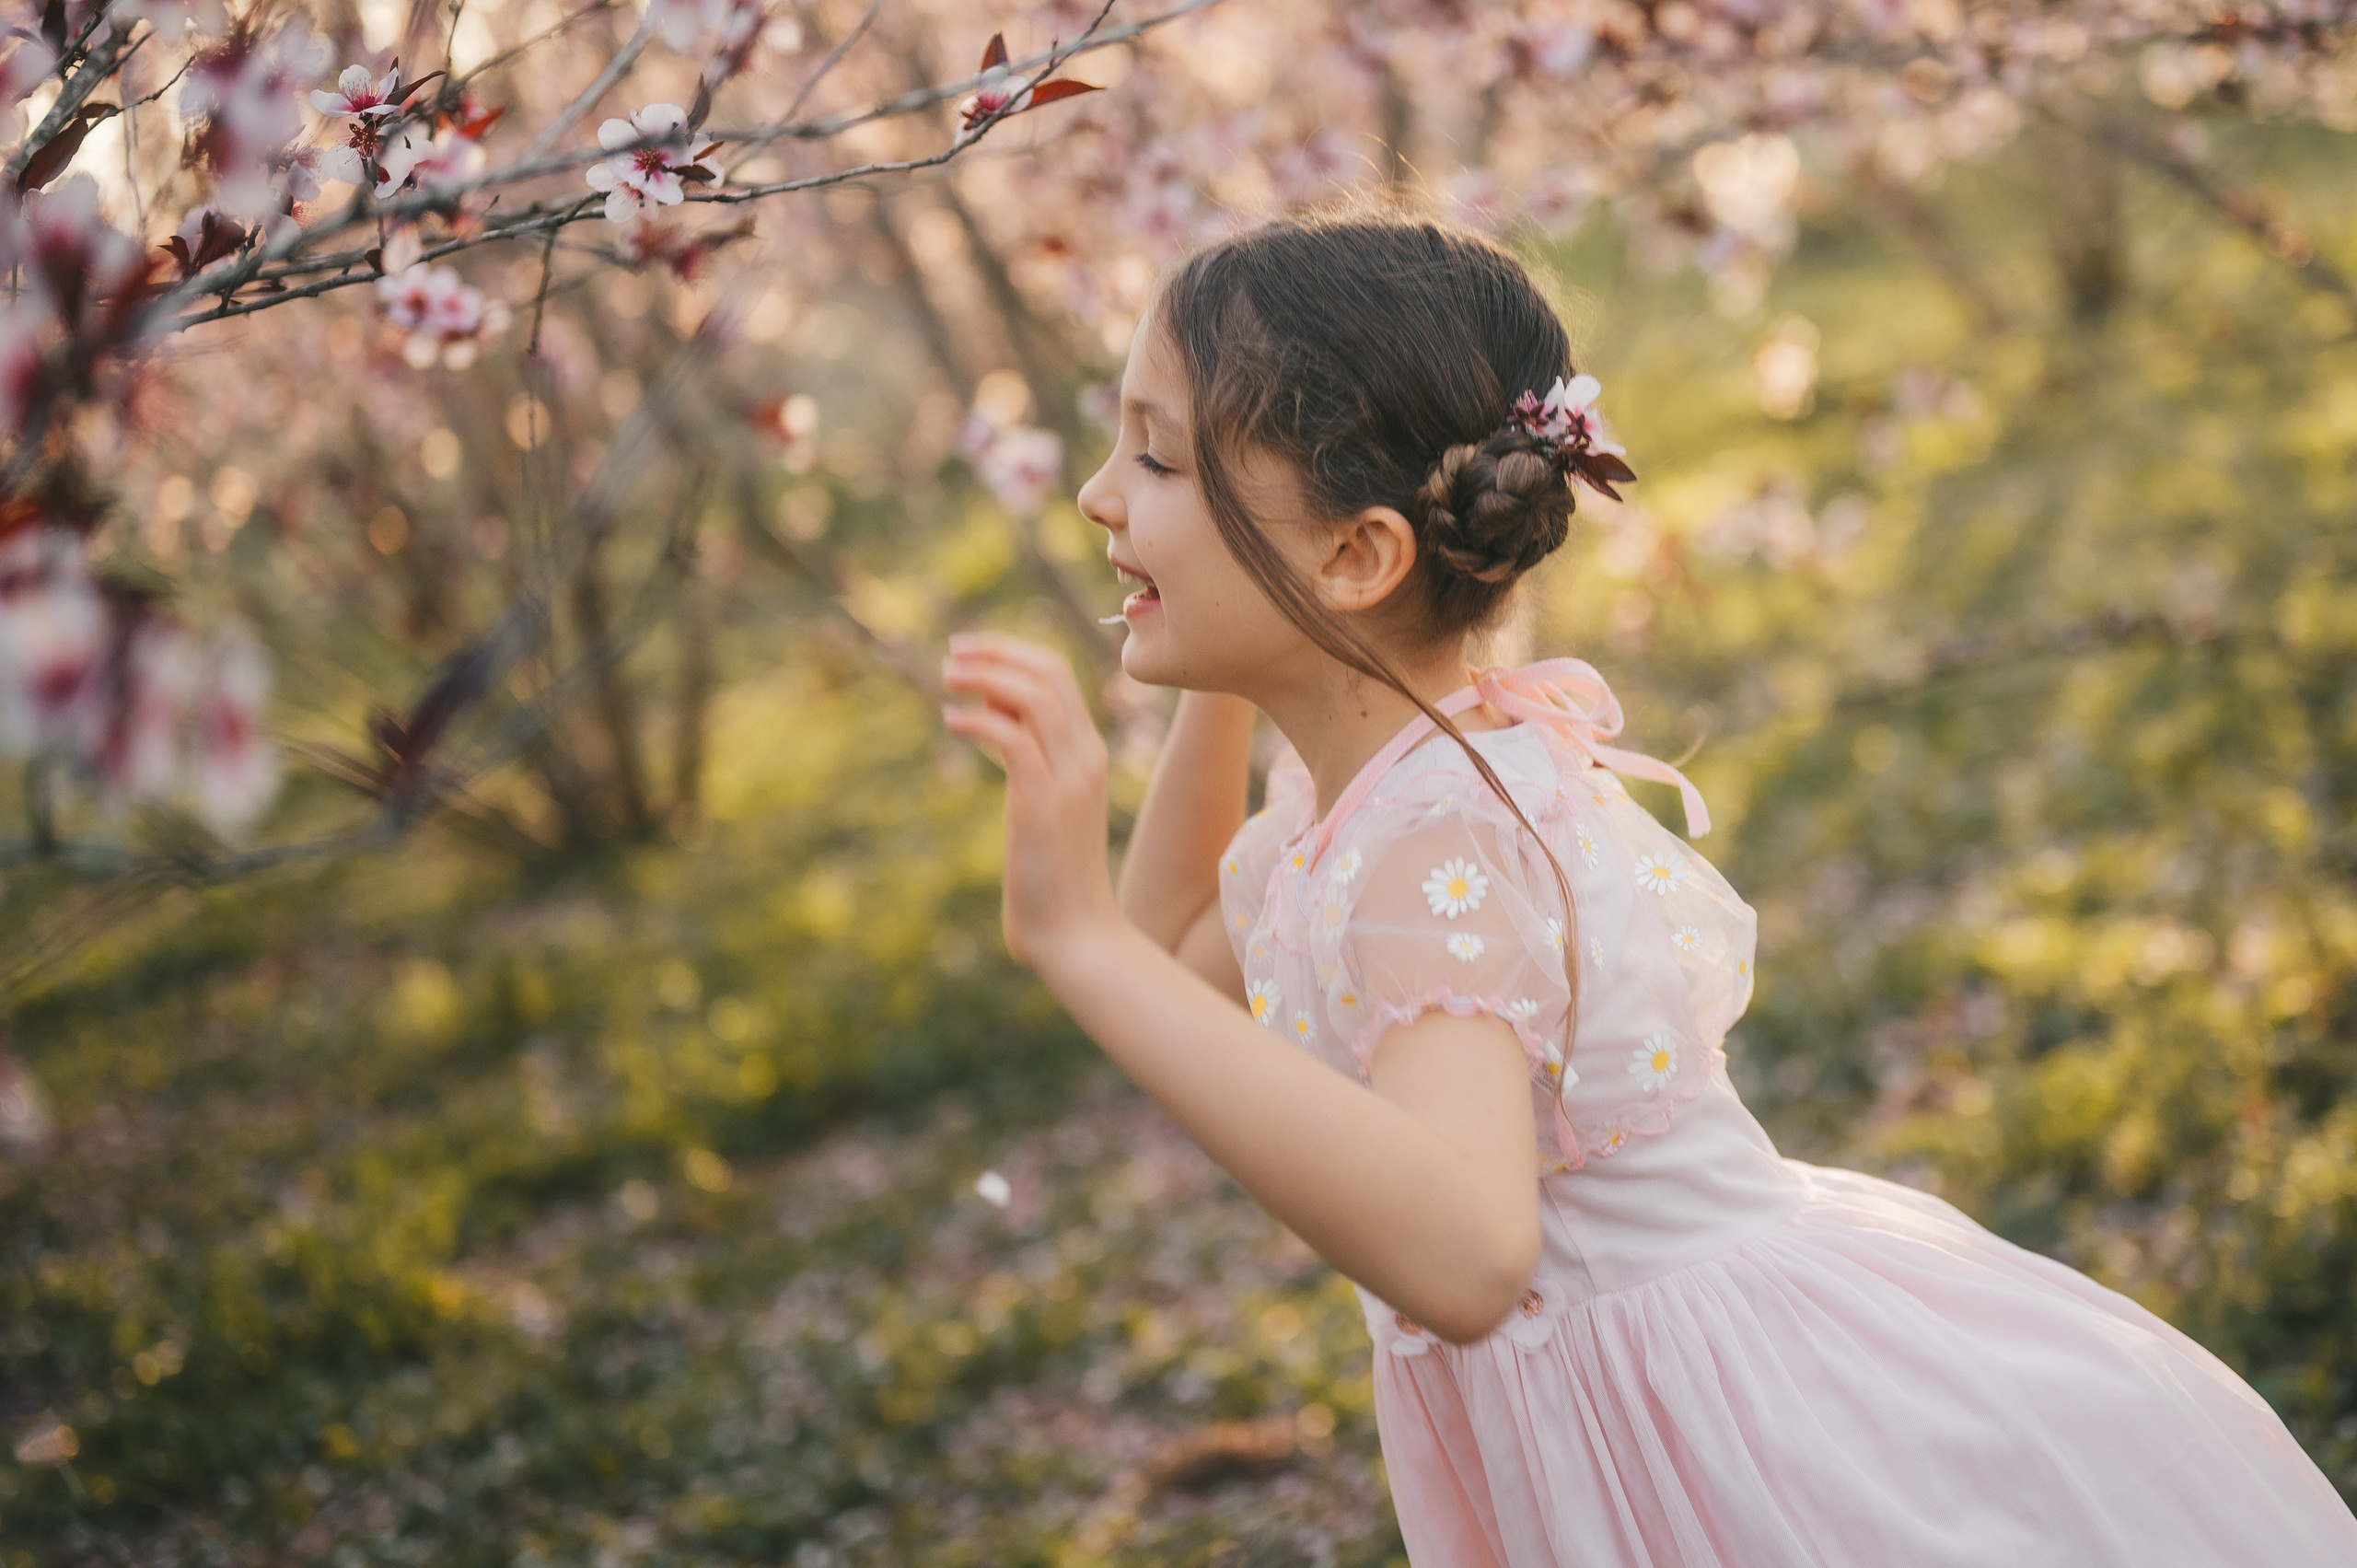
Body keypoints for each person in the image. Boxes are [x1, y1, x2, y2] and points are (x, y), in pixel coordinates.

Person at [938, 214, 2357, 1566]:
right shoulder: (1358, 785)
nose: (1096, 494)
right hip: (1635, 1408)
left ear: (1358, 554)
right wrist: (1247, 661)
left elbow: (1469, 1252)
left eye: (1159, 460)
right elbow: (1183, 946)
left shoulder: (1434, 846)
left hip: (1735, 1442)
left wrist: (1069, 938)